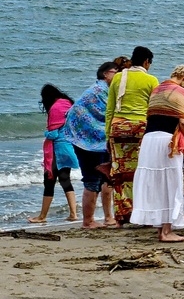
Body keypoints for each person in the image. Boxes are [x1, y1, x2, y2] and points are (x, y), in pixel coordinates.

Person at [130, 65, 184, 242]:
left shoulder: (156, 90)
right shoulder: (180, 91)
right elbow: (183, 122)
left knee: (155, 184)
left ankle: (160, 230)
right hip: (166, 141)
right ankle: (167, 231)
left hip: (149, 140)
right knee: (171, 183)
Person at [105, 46, 159, 225]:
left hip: (118, 128)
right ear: (146, 62)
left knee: (120, 174)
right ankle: (142, 213)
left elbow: (110, 109)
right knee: (143, 171)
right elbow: (154, 110)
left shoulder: (119, 77)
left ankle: (122, 215)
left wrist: (108, 136)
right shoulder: (151, 80)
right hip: (140, 129)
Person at [62, 61, 118, 228]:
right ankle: (88, 221)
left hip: (96, 140)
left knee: (103, 178)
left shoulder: (105, 90)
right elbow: (105, 112)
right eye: (115, 72)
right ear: (105, 74)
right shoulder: (98, 91)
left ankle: (103, 218)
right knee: (92, 180)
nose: (118, 76)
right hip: (86, 141)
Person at [28, 84, 79, 223]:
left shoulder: (55, 108)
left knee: (49, 181)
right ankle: (73, 214)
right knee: (65, 180)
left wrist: (45, 133)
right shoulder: (67, 104)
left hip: (58, 149)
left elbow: (53, 133)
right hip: (68, 147)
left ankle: (42, 216)